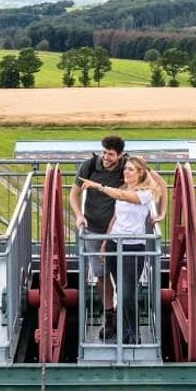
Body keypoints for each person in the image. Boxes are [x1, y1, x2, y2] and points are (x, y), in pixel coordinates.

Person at [82, 155, 160, 343]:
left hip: (132, 248)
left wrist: (97, 186)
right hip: (114, 244)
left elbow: (125, 196)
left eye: (131, 169)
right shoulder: (124, 188)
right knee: (120, 290)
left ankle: (134, 336)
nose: (126, 171)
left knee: (127, 293)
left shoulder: (146, 193)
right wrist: (105, 242)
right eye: (125, 169)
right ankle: (124, 331)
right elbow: (116, 218)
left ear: (140, 173)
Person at [69, 135, 127, 338]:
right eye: (104, 152)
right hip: (93, 230)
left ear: (119, 155)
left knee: (123, 275)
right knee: (101, 275)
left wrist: (158, 213)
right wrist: (79, 216)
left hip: (121, 233)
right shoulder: (89, 166)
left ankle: (126, 316)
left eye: (110, 154)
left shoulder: (128, 167)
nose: (105, 157)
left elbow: (152, 183)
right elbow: (73, 194)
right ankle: (109, 317)